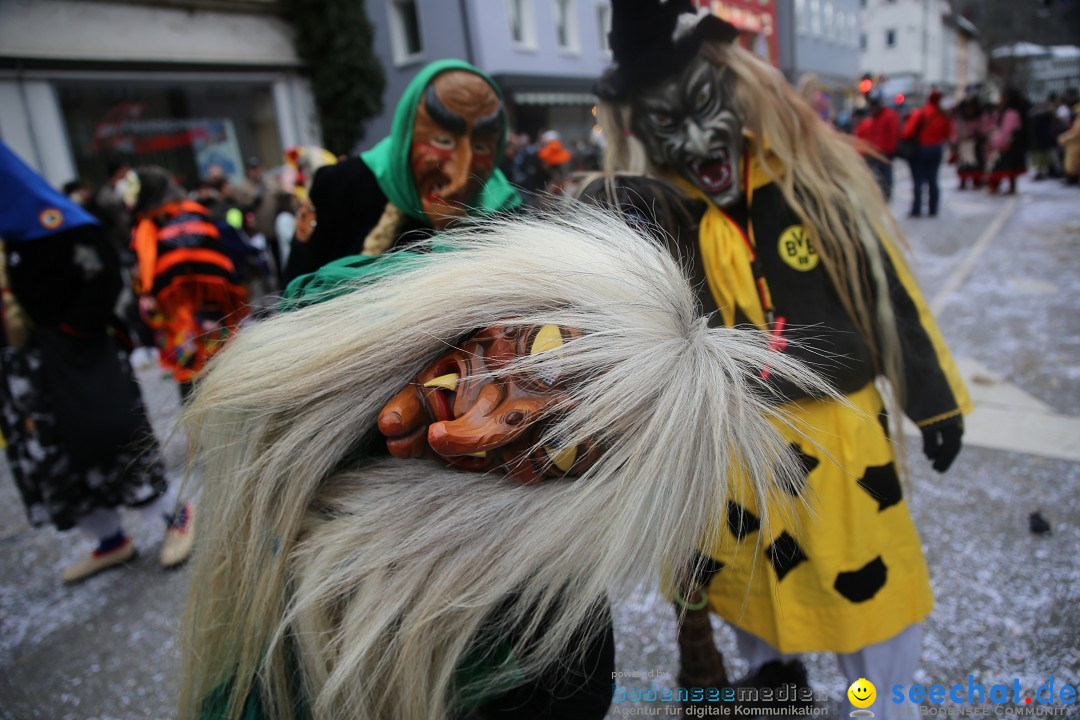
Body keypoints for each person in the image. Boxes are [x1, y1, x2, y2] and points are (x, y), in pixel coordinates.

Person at [177, 209, 824, 720]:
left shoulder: (550, 665)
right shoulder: (321, 371)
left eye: (560, 452)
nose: (467, 432)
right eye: (536, 358)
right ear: (503, 303)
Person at [583, 1, 972, 715]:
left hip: (840, 437)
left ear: (737, 92)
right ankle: (774, 681)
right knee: (754, 585)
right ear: (641, 131)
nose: (698, 139)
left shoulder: (810, 188)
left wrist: (934, 400)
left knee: (869, 594)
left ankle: (876, 702)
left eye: (705, 105)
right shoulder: (660, 214)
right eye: (668, 122)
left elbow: (886, 294)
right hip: (737, 446)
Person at [0, 141, 194, 583]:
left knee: (111, 438)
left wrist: (73, 332)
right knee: (58, 456)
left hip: (79, 356)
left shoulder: (64, 227)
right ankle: (108, 538)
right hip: (30, 369)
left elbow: (104, 277)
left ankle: (173, 516)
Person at [282, 59, 521, 284]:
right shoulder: (341, 187)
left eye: (480, 147)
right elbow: (295, 295)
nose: (460, 179)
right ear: (407, 133)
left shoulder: (504, 210)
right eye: (442, 141)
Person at [129, 166, 248, 399]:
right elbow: (215, 260)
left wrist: (147, 291)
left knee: (201, 382)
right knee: (216, 375)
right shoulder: (192, 212)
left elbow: (149, 270)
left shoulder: (152, 224)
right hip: (204, 312)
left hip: (185, 317)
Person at [902, 88, 952, 216]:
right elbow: (948, 133)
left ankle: (917, 209)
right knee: (933, 180)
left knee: (918, 181)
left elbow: (908, 132)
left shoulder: (921, 112)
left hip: (922, 150)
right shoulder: (943, 115)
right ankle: (933, 209)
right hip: (937, 149)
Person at [854, 90, 900, 199]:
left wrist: (889, 150)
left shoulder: (888, 115)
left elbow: (894, 134)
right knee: (876, 174)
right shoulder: (875, 118)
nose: (872, 108)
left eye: (874, 105)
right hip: (875, 151)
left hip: (885, 151)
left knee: (886, 174)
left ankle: (886, 193)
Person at [986, 88, 1029, 195]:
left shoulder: (1010, 113)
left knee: (1000, 167)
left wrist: (997, 142)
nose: (1000, 99)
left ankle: (995, 187)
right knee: (1009, 168)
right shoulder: (1007, 111)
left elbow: (1006, 131)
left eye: (1002, 97)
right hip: (1010, 143)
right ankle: (1009, 187)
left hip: (1007, 144)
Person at [952, 95, 989, 190]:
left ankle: (976, 181)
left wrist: (980, 135)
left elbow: (985, 129)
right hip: (963, 144)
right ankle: (963, 182)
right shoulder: (960, 119)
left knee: (976, 164)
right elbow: (955, 131)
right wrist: (954, 143)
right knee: (963, 165)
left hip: (975, 144)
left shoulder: (980, 117)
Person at [1059, 102, 1080, 186]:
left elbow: (1076, 133)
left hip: (1075, 145)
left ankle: (1073, 179)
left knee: (1074, 164)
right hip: (1074, 144)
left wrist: (1064, 138)